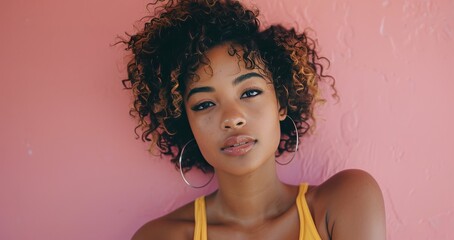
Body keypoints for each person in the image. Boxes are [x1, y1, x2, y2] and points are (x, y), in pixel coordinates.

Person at [120, 0, 386, 239]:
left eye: (249, 92)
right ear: (185, 122)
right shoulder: (160, 237)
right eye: (205, 104)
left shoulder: (345, 201)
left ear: (281, 102)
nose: (232, 118)